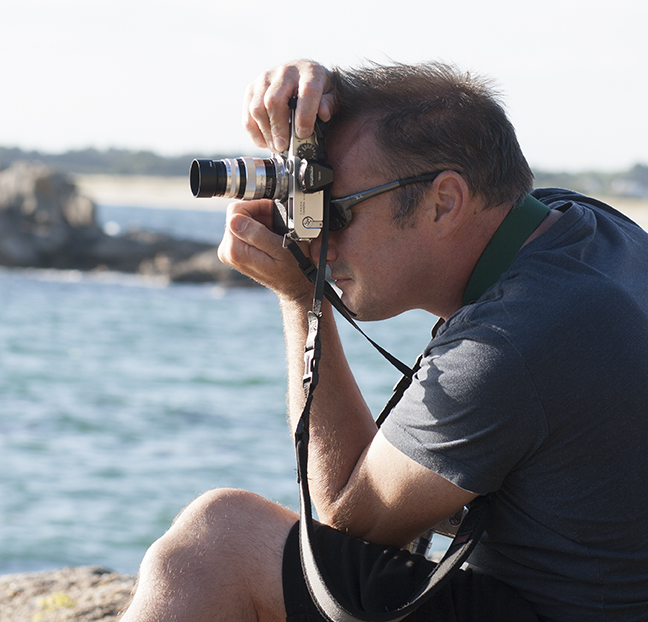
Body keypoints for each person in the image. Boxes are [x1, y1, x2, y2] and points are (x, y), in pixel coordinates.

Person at [119, 60, 648, 622]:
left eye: (338, 210)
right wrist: (320, 105)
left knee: (218, 540)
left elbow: (347, 522)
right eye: (313, 205)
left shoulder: (511, 341)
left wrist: (303, 299)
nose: (320, 238)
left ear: (444, 201)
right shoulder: (588, 228)